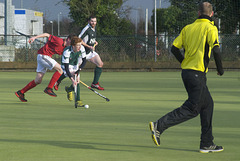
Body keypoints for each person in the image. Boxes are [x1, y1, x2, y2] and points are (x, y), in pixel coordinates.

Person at [149, 2, 224, 153]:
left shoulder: (188, 28)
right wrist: (221, 69)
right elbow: (216, 50)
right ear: (211, 14)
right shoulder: (211, 28)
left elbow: (174, 48)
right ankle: (159, 125)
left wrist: (184, 61)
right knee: (192, 108)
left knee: (208, 104)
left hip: (187, 73)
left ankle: (206, 143)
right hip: (197, 74)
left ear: (198, 13)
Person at [15, 33, 72, 102]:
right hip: (43, 55)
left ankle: (21, 92)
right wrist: (34, 37)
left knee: (38, 80)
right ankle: (49, 88)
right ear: (68, 39)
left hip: (44, 57)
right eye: (72, 42)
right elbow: (47, 34)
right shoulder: (59, 40)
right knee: (60, 69)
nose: (72, 44)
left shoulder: (65, 49)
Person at [78, 15, 104, 90]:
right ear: (89, 21)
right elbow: (79, 39)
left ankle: (95, 83)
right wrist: (88, 46)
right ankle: (59, 81)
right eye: (92, 21)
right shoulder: (86, 29)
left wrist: (94, 42)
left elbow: (90, 38)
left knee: (100, 64)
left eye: (95, 21)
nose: (93, 23)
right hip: (82, 53)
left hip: (90, 52)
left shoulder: (94, 28)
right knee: (74, 69)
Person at [61, 37, 87, 107]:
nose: (79, 47)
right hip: (66, 65)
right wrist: (72, 79)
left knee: (77, 81)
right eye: (77, 45)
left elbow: (84, 61)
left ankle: (69, 89)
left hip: (75, 65)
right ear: (73, 46)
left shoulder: (81, 48)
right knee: (75, 80)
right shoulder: (66, 51)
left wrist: (79, 70)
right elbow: (66, 68)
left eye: (80, 45)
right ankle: (78, 100)